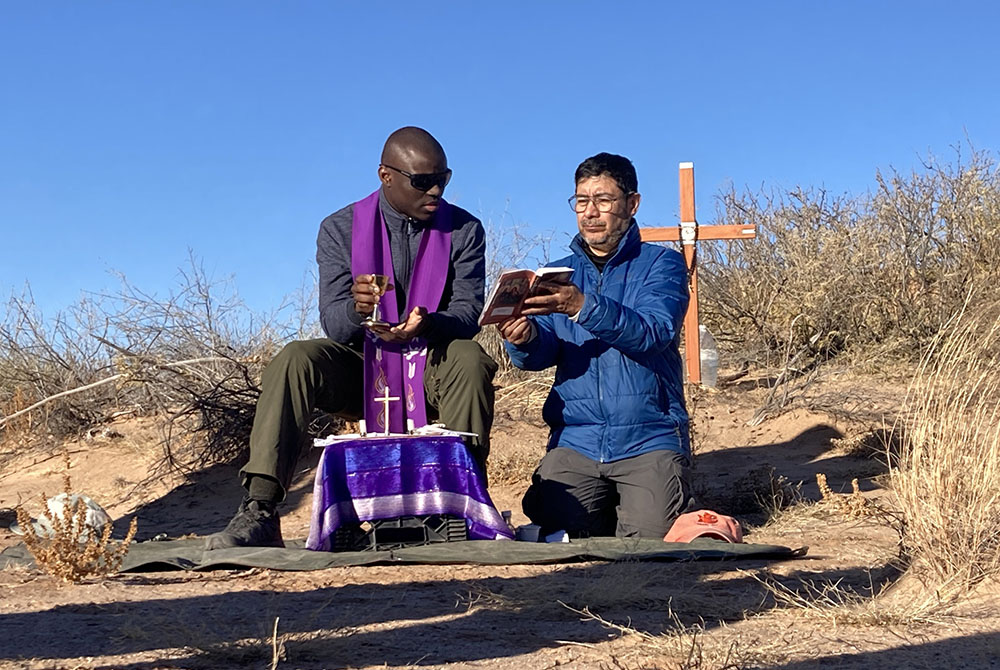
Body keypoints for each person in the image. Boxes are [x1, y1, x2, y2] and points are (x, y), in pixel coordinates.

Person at [207, 126, 498, 549]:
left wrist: (429, 323)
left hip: (432, 366)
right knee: (295, 358)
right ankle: (261, 509)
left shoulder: (464, 230)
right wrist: (358, 310)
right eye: (422, 181)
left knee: (469, 357)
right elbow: (334, 324)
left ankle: (465, 503)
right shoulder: (340, 229)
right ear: (386, 176)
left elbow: (467, 313)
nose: (435, 190)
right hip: (364, 370)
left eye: (444, 179)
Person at [498, 152, 694, 539]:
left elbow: (653, 332)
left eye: (603, 201)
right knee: (562, 532)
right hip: (576, 439)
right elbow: (542, 355)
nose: (590, 212)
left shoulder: (663, 265)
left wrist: (581, 306)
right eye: (581, 201)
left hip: (647, 437)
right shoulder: (555, 273)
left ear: (632, 204)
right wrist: (524, 339)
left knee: (647, 541)